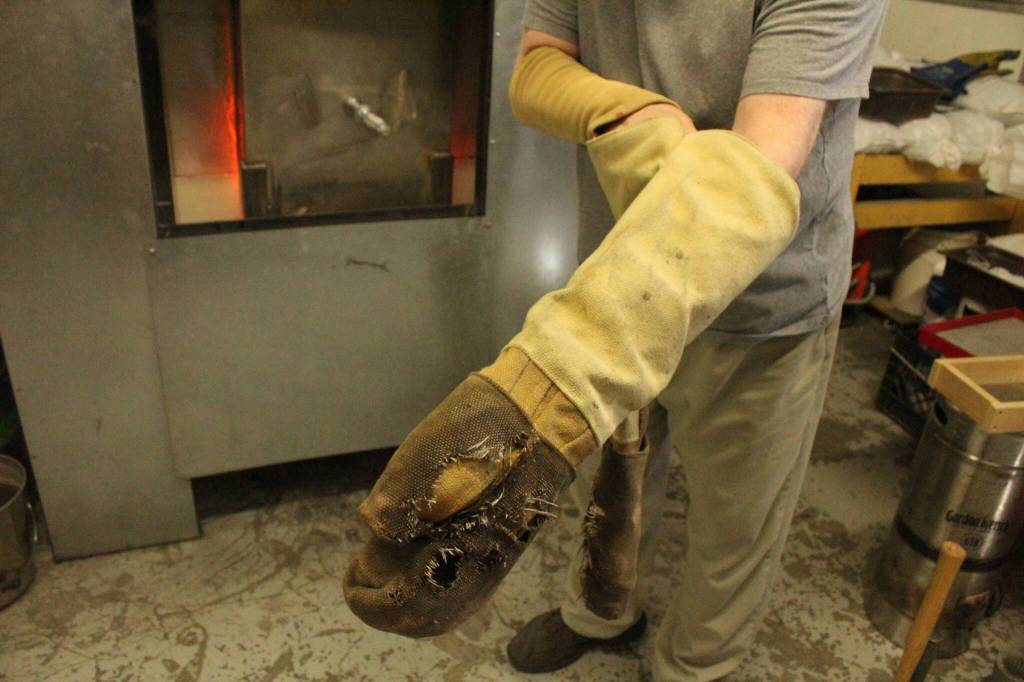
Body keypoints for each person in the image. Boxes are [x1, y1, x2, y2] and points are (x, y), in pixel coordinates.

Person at [503, 2, 889, 680]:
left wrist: (559, 358)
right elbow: (537, 66)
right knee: (611, 485)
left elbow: (750, 178)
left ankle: (694, 668)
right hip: (620, 267)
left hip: (766, 301)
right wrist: (635, 114)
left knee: (735, 524)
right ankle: (602, 615)